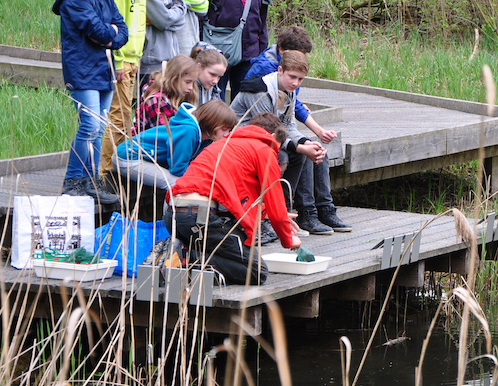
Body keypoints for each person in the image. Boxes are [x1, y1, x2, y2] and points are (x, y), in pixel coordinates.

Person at [164, 113, 301, 286]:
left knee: (225, 251)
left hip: (173, 213)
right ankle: (187, 257)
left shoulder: (224, 145)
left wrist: (269, 215)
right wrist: (288, 240)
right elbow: (275, 200)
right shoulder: (264, 149)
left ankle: (179, 252)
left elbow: (243, 198)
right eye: (277, 148)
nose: (275, 152)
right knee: (256, 272)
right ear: (273, 137)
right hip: (200, 216)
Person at [230, 50, 351, 235]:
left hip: (268, 140)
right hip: (243, 143)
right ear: (280, 70)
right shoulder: (260, 92)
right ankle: (284, 214)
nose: (295, 83)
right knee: (292, 155)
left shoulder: (289, 91)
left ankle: (318, 211)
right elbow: (269, 133)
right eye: (292, 77)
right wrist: (301, 147)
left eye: (300, 79)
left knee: (314, 150)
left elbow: (289, 126)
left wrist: (305, 142)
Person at [53, 0, 129, 203]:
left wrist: (110, 35)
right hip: (82, 70)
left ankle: (90, 181)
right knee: (89, 126)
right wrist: (109, 34)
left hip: (103, 70)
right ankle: (73, 181)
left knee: (99, 128)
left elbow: (121, 31)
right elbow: (99, 31)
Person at [99, 0, 163, 176]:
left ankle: (113, 168)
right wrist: (117, 60)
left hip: (135, 57)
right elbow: (113, 21)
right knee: (118, 117)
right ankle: (103, 171)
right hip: (120, 59)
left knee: (126, 118)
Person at [115, 99, 236, 189]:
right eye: (224, 129)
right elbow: (177, 169)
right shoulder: (188, 131)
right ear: (211, 123)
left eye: (229, 130)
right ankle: (169, 221)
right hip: (130, 157)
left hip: (146, 159)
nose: (227, 134)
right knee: (176, 183)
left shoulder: (207, 137)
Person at [245, 25, 337, 143]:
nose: (300, 59)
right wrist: (316, 133)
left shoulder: (292, 71)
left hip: (280, 124)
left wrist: (318, 133)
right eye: (297, 54)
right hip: (259, 129)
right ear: (282, 50)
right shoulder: (264, 68)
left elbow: (291, 101)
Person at [134, 54, 198, 135]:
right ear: (174, 78)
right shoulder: (156, 99)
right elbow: (166, 133)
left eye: (193, 82)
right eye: (188, 82)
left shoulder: (176, 92)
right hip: (148, 144)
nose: (191, 87)